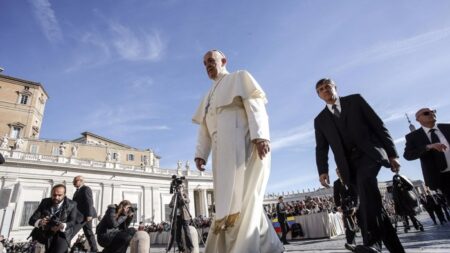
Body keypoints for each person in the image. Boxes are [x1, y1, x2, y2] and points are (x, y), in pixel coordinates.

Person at [192, 50, 283, 253]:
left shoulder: (239, 77)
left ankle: (247, 247)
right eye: (205, 62)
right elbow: (205, 128)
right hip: (219, 152)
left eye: (211, 60)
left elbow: (255, 105)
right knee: (227, 200)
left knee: (245, 196)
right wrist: (200, 153)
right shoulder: (207, 96)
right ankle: (268, 246)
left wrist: (260, 136)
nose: (207, 65)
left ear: (223, 61)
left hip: (241, 143)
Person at [314, 78, 404, 253]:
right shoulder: (320, 120)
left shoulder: (355, 100)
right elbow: (321, 148)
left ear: (335, 88)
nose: (325, 90)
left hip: (370, 154)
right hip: (348, 166)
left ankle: (372, 243)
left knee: (365, 182)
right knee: (374, 206)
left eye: (328, 86)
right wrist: (323, 170)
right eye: (321, 89)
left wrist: (392, 154)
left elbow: (378, 125)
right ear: (318, 95)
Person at [403, 108, 450, 204]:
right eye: (426, 113)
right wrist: (428, 147)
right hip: (443, 178)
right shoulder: (413, 137)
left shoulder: (447, 127)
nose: (431, 113)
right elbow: (408, 155)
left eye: (433, 111)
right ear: (418, 120)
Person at [28, 184, 80, 253]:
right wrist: (40, 222)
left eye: (59, 195)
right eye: (54, 195)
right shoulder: (45, 202)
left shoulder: (72, 204)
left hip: (62, 234)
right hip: (45, 232)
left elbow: (73, 221)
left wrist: (63, 225)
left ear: (64, 194)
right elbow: (31, 220)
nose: (56, 197)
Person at [333, 168, 358, 252]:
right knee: (348, 225)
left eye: (339, 171)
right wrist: (338, 206)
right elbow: (336, 196)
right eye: (337, 172)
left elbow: (356, 193)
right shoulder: (336, 183)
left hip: (354, 204)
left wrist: (355, 206)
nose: (338, 173)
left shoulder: (350, 179)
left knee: (359, 224)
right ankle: (351, 243)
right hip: (345, 206)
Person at [72, 176, 98, 252]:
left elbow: (89, 202)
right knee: (88, 232)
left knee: (73, 231)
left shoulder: (86, 189)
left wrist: (89, 214)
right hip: (82, 215)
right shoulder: (77, 191)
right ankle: (94, 249)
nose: (74, 182)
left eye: (75, 180)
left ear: (80, 181)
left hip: (85, 215)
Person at [167, 184, 193, 252]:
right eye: (178, 187)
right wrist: (173, 202)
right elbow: (170, 205)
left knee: (187, 232)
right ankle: (181, 248)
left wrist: (181, 195)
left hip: (184, 216)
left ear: (183, 188)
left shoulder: (185, 194)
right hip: (177, 217)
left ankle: (190, 248)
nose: (179, 188)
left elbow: (187, 201)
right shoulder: (174, 196)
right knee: (178, 233)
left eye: (180, 187)